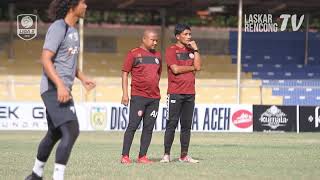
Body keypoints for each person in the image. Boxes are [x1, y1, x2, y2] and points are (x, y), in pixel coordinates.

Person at [25, 0, 96, 179]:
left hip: (61, 88)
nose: (86, 6)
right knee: (72, 129)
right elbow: (46, 59)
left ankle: (35, 175)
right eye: (83, 2)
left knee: (55, 133)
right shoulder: (59, 27)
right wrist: (60, 85)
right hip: (53, 88)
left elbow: (68, 62)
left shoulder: (73, 31)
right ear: (72, 6)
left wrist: (82, 78)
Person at [160, 24, 201, 163]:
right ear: (178, 36)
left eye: (190, 34)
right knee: (171, 124)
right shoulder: (171, 50)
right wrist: (191, 68)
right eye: (186, 34)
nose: (189, 36)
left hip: (190, 93)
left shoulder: (192, 50)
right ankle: (166, 155)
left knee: (186, 126)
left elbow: (198, 67)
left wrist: (196, 50)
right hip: (175, 93)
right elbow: (176, 69)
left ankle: (184, 155)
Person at [120, 29, 161, 164]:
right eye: (152, 40)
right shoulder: (133, 54)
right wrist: (125, 94)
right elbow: (125, 73)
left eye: (156, 40)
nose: (155, 42)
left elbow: (158, 74)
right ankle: (125, 156)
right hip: (139, 97)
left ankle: (142, 156)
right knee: (133, 126)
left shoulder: (158, 56)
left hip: (154, 98)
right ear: (144, 39)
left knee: (148, 128)